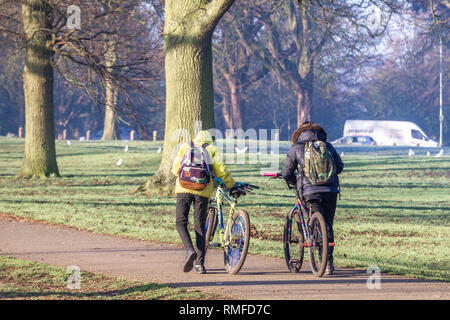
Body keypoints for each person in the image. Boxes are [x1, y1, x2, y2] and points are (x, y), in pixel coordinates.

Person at [281, 121, 344, 275]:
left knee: (314, 219)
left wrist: (294, 183)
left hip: (309, 191)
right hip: (330, 190)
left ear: (299, 134)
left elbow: (287, 172)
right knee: (327, 224)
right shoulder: (327, 146)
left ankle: (314, 239)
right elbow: (340, 167)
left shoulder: (296, 147)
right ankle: (328, 262)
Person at [171, 130, 238, 274]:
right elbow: (221, 171)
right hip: (202, 191)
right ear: (210, 140)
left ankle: (189, 250)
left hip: (183, 188)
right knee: (200, 226)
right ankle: (199, 265)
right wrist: (232, 184)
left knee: (180, 222)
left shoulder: (185, 147)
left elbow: (175, 169)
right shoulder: (212, 149)